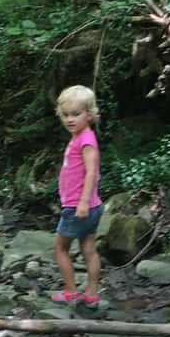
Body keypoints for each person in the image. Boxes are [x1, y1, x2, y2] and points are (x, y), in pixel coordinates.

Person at [51, 84, 103, 305]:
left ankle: (71, 290)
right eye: (65, 115)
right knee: (88, 248)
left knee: (60, 247)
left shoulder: (86, 141)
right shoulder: (80, 136)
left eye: (75, 114)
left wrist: (82, 202)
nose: (69, 119)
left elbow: (92, 172)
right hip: (90, 206)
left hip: (78, 206)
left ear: (89, 114)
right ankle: (91, 293)